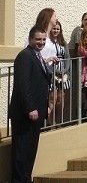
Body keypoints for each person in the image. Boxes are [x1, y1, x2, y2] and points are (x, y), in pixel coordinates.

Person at [10, 26, 52, 182]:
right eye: (38, 39)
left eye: (43, 39)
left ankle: (26, 178)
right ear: (30, 39)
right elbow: (23, 85)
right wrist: (30, 108)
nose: (41, 42)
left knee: (30, 150)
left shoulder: (37, 56)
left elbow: (41, 83)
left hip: (38, 111)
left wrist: (46, 106)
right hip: (26, 113)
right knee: (22, 151)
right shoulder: (25, 56)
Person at [48, 21, 71, 125]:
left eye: (57, 29)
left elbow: (67, 57)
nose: (56, 31)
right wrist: (55, 71)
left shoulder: (63, 42)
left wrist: (65, 70)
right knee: (53, 99)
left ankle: (58, 123)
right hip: (52, 72)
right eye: (54, 28)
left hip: (63, 74)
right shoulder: (48, 42)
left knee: (60, 100)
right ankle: (51, 124)